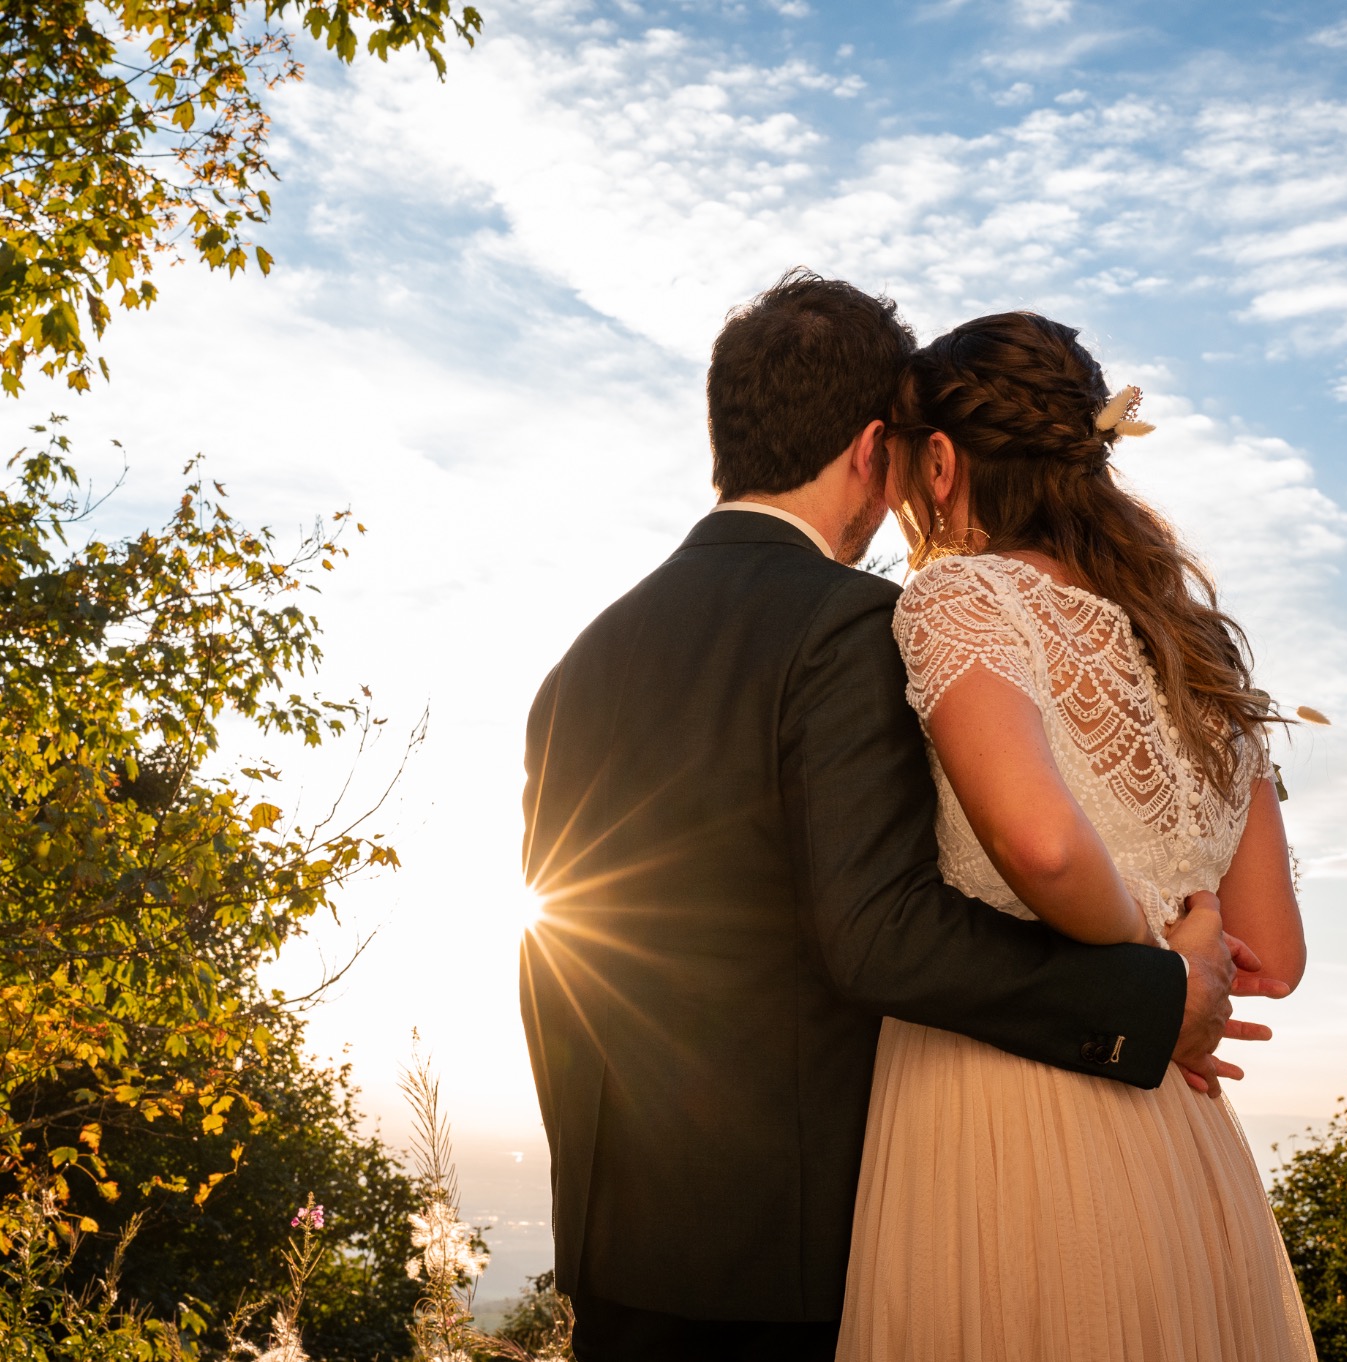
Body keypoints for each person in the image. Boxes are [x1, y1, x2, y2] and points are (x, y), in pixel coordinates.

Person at [517, 271, 1275, 1362]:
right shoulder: (856, 625)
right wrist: (1152, 996)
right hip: (809, 1262)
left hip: (623, 1257)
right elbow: (879, 931)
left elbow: (558, 947)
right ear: (876, 452)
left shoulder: (579, 663)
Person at [834, 310, 1314, 1360]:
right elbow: (1272, 956)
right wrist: (1178, 972)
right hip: (1182, 1147)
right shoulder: (1192, 651)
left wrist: (1153, 985)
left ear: (944, 461)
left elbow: (1044, 850)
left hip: (1003, 1113)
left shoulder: (961, 597)